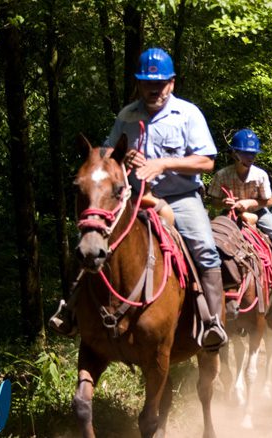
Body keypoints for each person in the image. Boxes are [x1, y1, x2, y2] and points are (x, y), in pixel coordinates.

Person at [105, 47, 227, 351]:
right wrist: (123, 156)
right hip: (135, 198)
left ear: (171, 83)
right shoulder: (127, 115)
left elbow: (206, 161)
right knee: (94, 241)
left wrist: (162, 164)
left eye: (159, 83)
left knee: (206, 252)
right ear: (138, 83)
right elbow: (106, 152)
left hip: (181, 198)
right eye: (147, 83)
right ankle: (73, 313)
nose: (153, 89)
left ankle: (213, 324)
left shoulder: (188, 114)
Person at [208, 128, 272, 307]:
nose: (251, 157)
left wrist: (248, 203)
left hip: (259, 213)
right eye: (246, 153)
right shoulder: (221, 175)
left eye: (253, 153)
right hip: (229, 214)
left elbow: (268, 201)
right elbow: (213, 201)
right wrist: (224, 203)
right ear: (235, 153)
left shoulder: (260, 175)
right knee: (211, 240)